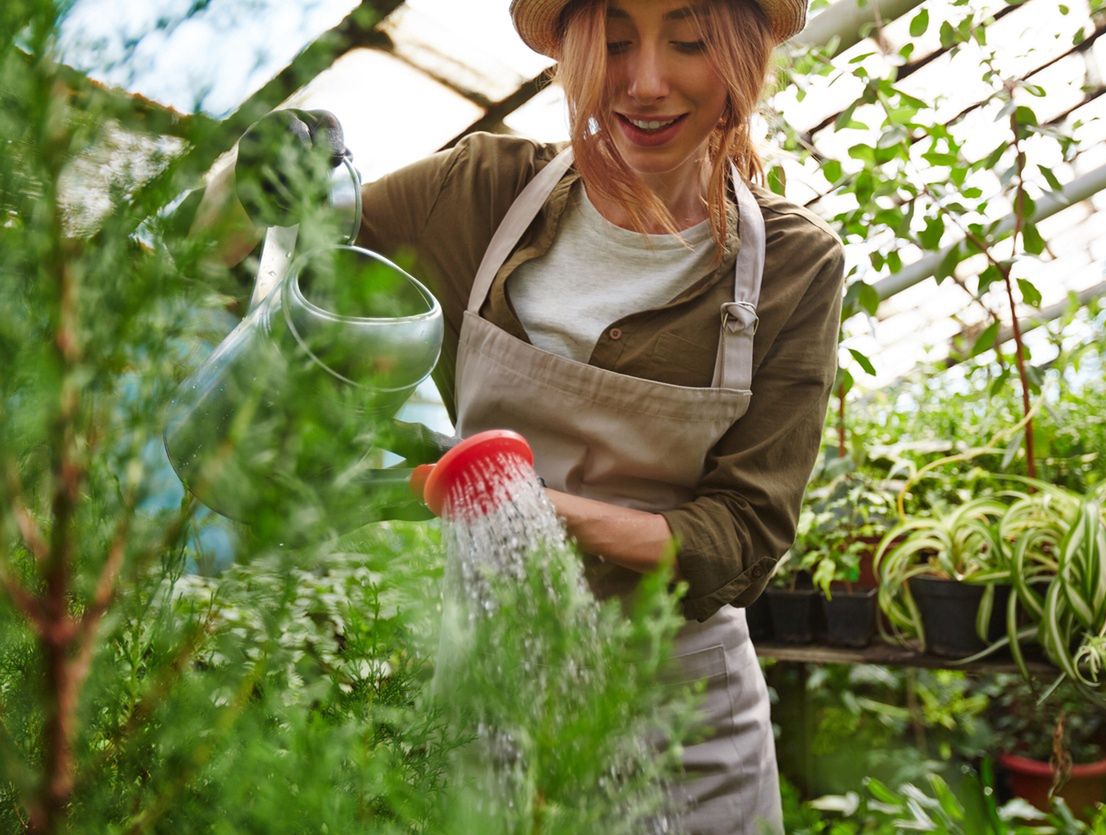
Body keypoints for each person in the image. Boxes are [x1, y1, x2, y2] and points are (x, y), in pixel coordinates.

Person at [205, 0, 844, 831]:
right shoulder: (483, 195)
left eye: (687, 42)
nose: (645, 83)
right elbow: (248, 254)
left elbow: (742, 537)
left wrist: (519, 503)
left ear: (742, 55)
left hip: (683, 716)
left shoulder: (792, 266)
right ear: (573, 51)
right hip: (493, 691)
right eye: (613, 43)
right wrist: (252, 172)